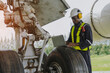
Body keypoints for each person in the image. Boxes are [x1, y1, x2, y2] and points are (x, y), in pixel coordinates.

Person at [66, 8, 93, 73]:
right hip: (75, 53)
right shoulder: (72, 28)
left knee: (86, 70)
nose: (73, 20)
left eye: (74, 18)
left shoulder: (86, 26)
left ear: (79, 16)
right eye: (72, 18)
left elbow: (89, 41)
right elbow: (70, 40)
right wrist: (66, 43)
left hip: (84, 53)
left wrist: (75, 44)